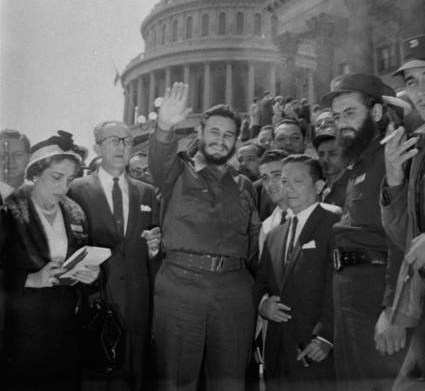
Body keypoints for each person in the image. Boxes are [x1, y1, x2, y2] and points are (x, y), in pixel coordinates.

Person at [149, 82, 260, 391]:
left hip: (234, 291)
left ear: (236, 142)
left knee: (230, 381)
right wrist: (164, 127)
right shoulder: (176, 173)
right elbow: (158, 162)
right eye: (213, 132)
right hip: (181, 287)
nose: (220, 141)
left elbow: (253, 245)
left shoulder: (246, 187)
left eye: (228, 136)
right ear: (199, 132)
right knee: (176, 380)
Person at [321, 73, 407, 391]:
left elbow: (401, 237)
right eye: (336, 116)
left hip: (376, 295)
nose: (341, 123)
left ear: (375, 113)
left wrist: (393, 310)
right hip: (348, 293)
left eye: (350, 113)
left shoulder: (393, 158)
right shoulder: (356, 163)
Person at [2, 131, 99, 391]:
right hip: (20, 334)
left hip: (66, 333)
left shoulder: (75, 211)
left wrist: (92, 276)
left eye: (69, 179)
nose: (63, 187)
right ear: (34, 174)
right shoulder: (8, 210)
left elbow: (84, 260)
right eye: (56, 177)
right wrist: (31, 279)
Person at [69, 120, 160, 391]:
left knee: (135, 379)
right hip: (95, 306)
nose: (122, 146)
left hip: (137, 308)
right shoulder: (75, 190)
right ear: (98, 146)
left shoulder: (146, 192)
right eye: (114, 140)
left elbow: (151, 252)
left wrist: (155, 249)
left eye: (127, 141)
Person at [255, 155, 338, 391]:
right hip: (277, 355)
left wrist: (326, 336)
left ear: (319, 186)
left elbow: (342, 286)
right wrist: (263, 306)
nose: (287, 187)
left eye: (297, 181)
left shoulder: (336, 224)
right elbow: (260, 285)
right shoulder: (274, 235)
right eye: (284, 181)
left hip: (315, 350)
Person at [380, 34, 425, 389]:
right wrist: (395, 179)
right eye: (412, 82)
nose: (420, 92)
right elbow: (405, 238)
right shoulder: (419, 149)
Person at [257, 149, 288, 254]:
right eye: (265, 178)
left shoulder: (313, 214)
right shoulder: (266, 226)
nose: (270, 184)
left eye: (277, 175)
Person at [312, 123, 348, 208]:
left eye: (332, 154)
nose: (325, 159)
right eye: (321, 154)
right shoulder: (318, 189)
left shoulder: (352, 186)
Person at [0, 129, 31, 201]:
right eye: (2, 156)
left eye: (18, 155)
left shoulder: (37, 193)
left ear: (29, 158)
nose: (10, 161)